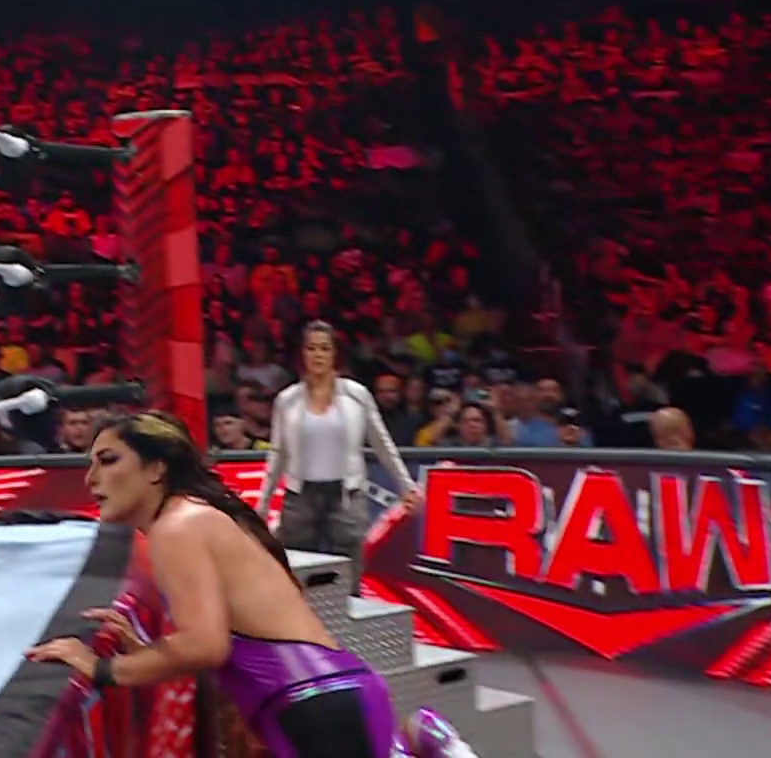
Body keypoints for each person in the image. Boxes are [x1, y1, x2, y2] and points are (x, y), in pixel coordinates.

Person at [26, 412, 471, 758]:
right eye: (90, 463)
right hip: (323, 700)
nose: (91, 478)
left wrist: (102, 668)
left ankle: (423, 743)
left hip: (311, 705)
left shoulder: (177, 526)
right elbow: (228, 643)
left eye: (108, 460)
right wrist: (143, 653)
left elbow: (205, 646)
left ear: (156, 468)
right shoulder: (191, 520)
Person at [256, 321, 419, 589]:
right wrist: (263, 503)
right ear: (302, 354)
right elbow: (278, 453)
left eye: (324, 348)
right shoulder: (287, 400)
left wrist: (406, 485)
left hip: (346, 497)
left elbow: (381, 443)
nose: (318, 355)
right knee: (295, 578)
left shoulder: (357, 395)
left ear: (335, 354)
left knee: (349, 579)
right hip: (300, 498)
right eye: (311, 348)